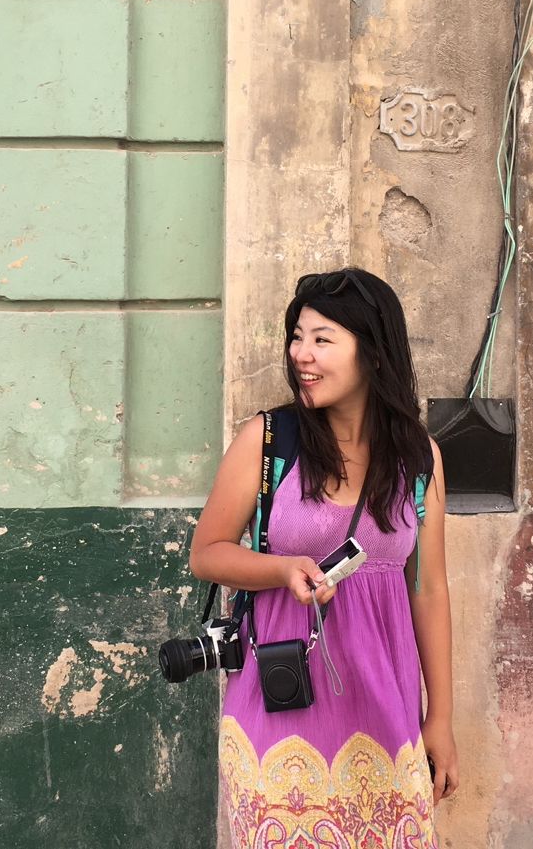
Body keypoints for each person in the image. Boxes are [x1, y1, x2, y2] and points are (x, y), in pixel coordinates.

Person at [190, 267, 459, 848]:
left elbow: (429, 590)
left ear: (374, 352)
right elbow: (206, 554)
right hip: (282, 701)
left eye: (322, 339)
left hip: (385, 704)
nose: (301, 355)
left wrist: (439, 718)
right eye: (297, 337)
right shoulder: (268, 441)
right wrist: (282, 569)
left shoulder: (419, 457)